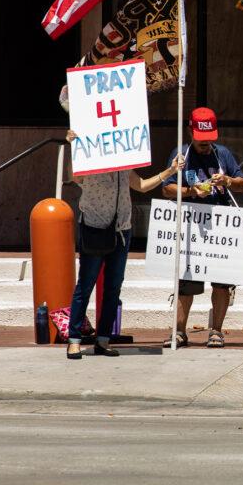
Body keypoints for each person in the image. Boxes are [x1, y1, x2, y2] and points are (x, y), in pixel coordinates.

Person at [65, 132, 184, 359]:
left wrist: (170, 171)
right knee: (85, 285)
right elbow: (74, 176)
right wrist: (73, 147)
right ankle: (74, 340)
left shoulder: (123, 166)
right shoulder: (89, 162)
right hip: (94, 228)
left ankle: (103, 339)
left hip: (121, 230)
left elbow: (140, 185)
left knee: (114, 287)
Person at [161, 107, 243, 348]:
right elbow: (167, 189)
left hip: (220, 226)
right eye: (201, 139)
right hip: (191, 225)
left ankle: (216, 330)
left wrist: (228, 181)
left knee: (221, 283)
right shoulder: (180, 155)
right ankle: (179, 331)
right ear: (191, 131)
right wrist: (191, 191)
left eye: (209, 139)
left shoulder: (223, 154)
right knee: (186, 280)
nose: (205, 144)